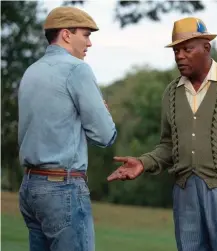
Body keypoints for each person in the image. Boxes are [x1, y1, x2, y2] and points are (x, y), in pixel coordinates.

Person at [107, 17, 217, 251]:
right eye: (176, 50)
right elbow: (167, 146)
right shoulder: (171, 94)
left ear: (206, 47)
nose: (179, 56)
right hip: (185, 192)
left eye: (187, 49)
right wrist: (143, 163)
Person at [18, 6, 117, 251]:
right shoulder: (77, 69)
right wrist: (99, 113)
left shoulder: (31, 72)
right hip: (62, 187)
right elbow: (105, 136)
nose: (90, 43)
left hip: (30, 188)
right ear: (65, 34)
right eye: (85, 35)